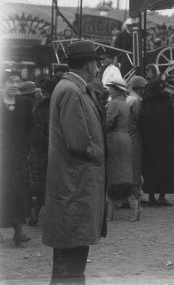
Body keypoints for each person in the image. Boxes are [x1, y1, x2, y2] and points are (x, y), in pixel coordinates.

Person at [43, 40, 106, 283]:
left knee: (71, 257)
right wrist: (100, 152)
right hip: (75, 185)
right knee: (71, 260)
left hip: (75, 185)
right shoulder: (72, 90)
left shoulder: (72, 88)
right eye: (97, 63)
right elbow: (79, 142)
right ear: (88, 64)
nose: (99, 68)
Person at [0, 69, 33, 245]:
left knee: (19, 194)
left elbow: (30, 128)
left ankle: (18, 231)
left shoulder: (26, 104)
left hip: (19, 157)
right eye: (11, 81)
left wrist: (25, 149)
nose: (14, 85)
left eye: (17, 81)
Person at [138, 80, 174, 206]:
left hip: (150, 143)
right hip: (166, 142)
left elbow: (141, 125)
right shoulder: (167, 104)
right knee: (165, 169)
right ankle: (162, 196)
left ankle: (151, 196)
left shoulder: (146, 104)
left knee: (150, 170)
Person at [104, 78, 136, 221]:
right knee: (124, 172)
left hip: (114, 139)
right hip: (126, 138)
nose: (109, 90)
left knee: (113, 173)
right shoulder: (125, 103)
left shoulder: (114, 104)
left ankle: (112, 206)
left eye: (111, 88)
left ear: (116, 89)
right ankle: (129, 200)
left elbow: (108, 123)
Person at [28, 77, 58, 227]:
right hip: (53, 150)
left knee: (39, 183)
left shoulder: (39, 106)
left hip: (39, 150)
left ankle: (34, 215)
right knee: (53, 184)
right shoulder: (58, 104)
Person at [126, 76, 147, 216]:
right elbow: (140, 120)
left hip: (127, 136)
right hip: (135, 136)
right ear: (140, 88)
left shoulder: (128, 99)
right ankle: (133, 197)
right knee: (135, 167)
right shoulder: (136, 101)